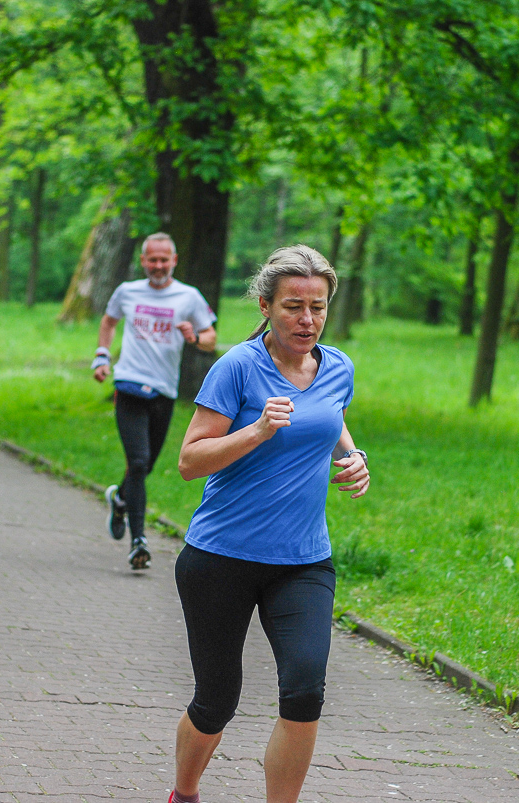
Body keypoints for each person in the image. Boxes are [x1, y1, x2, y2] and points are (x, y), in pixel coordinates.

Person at [167, 245, 369, 803]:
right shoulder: (235, 366)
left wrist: (352, 458)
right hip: (220, 558)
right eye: (293, 306)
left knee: (305, 691)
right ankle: (184, 793)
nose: (307, 320)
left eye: (318, 307)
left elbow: (332, 418)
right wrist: (256, 431)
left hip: (303, 561)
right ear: (266, 305)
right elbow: (189, 461)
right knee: (217, 700)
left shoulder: (339, 367)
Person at [92, 232, 217, 570]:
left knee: (143, 467)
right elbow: (108, 320)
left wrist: (196, 337)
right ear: (143, 261)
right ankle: (138, 542)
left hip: (164, 392)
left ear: (174, 261)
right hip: (130, 385)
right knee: (138, 461)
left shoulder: (189, 296)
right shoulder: (127, 291)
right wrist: (102, 356)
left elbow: (211, 338)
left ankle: (120, 499)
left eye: (164, 260)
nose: (158, 265)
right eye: (152, 259)